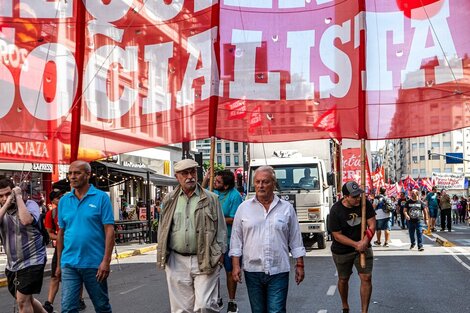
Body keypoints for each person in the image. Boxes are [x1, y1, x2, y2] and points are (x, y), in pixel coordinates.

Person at [230, 166, 306, 313]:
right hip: (252, 270)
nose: (260, 186)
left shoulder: (286, 208)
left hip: (279, 269)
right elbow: (236, 239)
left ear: (273, 183)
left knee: (276, 310)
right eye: (257, 182)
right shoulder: (243, 208)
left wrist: (300, 265)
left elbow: (295, 239)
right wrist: (235, 265)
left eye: (265, 182)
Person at [157, 159, 227, 313]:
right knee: (181, 310)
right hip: (176, 260)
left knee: (204, 306)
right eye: (185, 173)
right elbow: (163, 227)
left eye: (193, 172)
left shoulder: (211, 199)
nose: (190, 176)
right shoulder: (169, 199)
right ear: (177, 177)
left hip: (206, 258)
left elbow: (221, 229)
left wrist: (220, 254)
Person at [56, 160, 115, 313]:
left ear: (88, 175)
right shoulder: (64, 201)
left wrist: (106, 261)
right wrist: (59, 264)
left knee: (102, 306)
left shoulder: (101, 198)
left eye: (77, 173)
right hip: (69, 263)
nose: (72, 177)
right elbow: (61, 233)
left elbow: (109, 230)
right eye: (70, 173)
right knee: (68, 308)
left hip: (94, 264)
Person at [0, 178, 47, 313]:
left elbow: (26, 220)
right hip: (13, 264)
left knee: (22, 301)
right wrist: (7, 203)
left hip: (33, 260)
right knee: (26, 299)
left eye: (8, 194)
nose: (4, 198)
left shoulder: (30, 204)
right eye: (1, 196)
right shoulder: (2, 209)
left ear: (14, 191)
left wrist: (18, 197)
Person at [328, 181, 376, 313]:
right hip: (342, 250)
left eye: (359, 195)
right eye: (354, 197)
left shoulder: (365, 204)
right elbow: (337, 235)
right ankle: (345, 305)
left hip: (363, 246)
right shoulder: (336, 210)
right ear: (346, 197)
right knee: (343, 279)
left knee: (366, 277)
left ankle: (364, 311)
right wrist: (356, 245)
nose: (358, 199)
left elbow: (372, 224)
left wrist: (365, 241)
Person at [203, 169, 243, 313]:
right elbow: (200, 196)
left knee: (230, 270)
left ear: (226, 186)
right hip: (213, 239)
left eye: (218, 181)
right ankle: (216, 297)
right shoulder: (213, 191)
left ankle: (232, 301)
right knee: (213, 270)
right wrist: (207, 179)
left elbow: (235, 219)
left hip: (230, 239)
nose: (215, 183)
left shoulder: (235, 197)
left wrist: (216, 218)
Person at [43, 189, 87, 313]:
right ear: (52, 201)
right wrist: (61, 238)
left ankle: (79, 299)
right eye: (57, 198)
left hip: (76, 247)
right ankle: (49, 303)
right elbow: (49, 233)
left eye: (61, 196)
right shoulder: (51, 214)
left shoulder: (72, 209)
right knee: (55, 275)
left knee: (78, 274)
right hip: (61, 248)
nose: (61, 199)